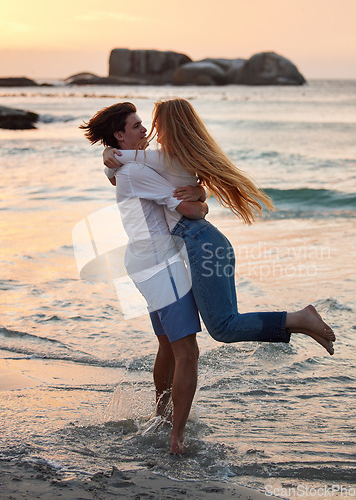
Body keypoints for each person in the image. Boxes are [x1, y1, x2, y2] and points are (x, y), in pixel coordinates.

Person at [103, 98, 336, 355]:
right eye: (143, 125)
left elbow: (117, 161)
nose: (150, 130)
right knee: (223, 325)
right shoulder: (179, 156)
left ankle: (298, 319)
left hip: (199, 241)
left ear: (170, 125)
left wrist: (107, 155)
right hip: (205, 238)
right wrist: (200, 194)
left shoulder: (163, 158)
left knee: (224, 327)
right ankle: (299, 323)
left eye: (155, 123)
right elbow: (123, 170)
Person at [80, 103, 208, 454]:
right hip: (159, 264)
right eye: (137, 126)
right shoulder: (135, 171)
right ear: (120, 134)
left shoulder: (127, 164)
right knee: (187, 352)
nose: (145, 131)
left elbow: (123, 165)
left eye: (143, 125)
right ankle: (176, 437)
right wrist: (201, 200)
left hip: (144, 261)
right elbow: (190, 210)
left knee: (168, 345)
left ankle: (163, 417)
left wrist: (199, 191)